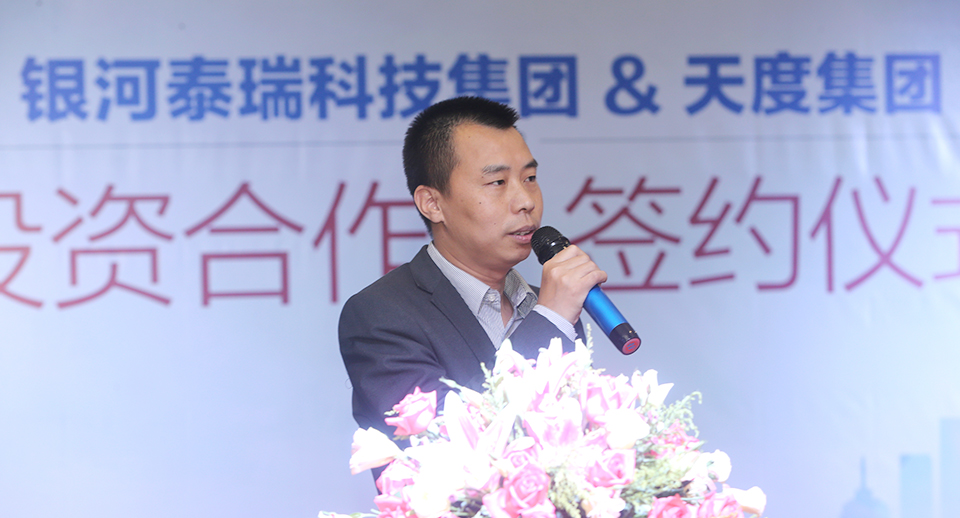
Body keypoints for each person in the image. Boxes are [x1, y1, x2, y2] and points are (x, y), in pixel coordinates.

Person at [338, 96, 606, 453]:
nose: (525, 201)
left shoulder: (547, 305)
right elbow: (443, 447)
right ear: (432, 203)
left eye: (530, 178)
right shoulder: (380, 316)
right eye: (497, 182)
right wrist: (550, 320)